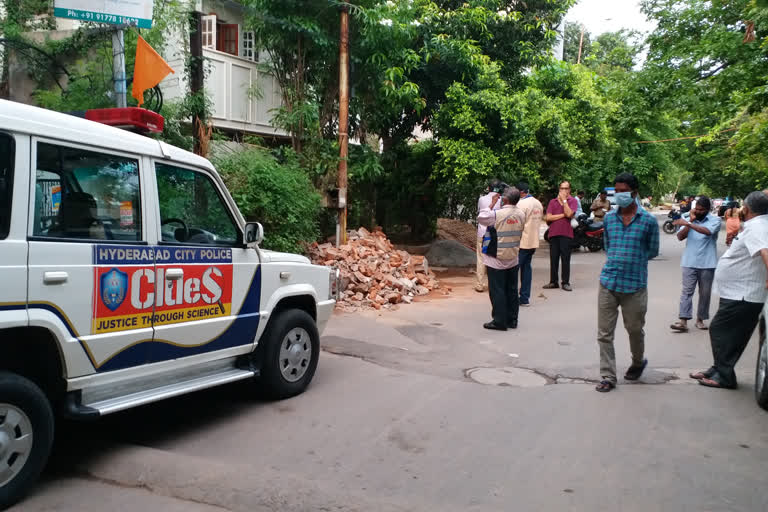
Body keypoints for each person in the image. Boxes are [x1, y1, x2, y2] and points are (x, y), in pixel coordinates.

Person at [692, 191, 768, 389]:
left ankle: (724, 376)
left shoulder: (758, 227)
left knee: (719, 329)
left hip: (744, 293)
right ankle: (719, 369)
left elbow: (765, 251)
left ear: (748, 208)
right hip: (737, 290)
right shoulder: (758, 224)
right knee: (731, 333)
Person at [595, 172, 660, 393]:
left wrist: (632, 259)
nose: (620, 196)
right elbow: (607, 245)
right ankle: (608, 376)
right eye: (617, 192)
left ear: (634, 192)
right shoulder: (609, 219)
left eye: (624, 192)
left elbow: (652, 251)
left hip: (635, 286)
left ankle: (638, 361)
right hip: (608, 283)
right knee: (604, 334)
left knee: (634, 329)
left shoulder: (649, 221)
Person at [477, 187, 526, 331]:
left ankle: (499, 321)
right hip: (513, 257)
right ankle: (513, 320)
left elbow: (481, 218)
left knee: (497, 290)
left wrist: (492, 203)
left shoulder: (497, 214)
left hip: (497, 259)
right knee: (511, 290)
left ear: (504, 199)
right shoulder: (521, 214)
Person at [669, 196, 721, 332]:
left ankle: (700, 319)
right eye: (696, 209)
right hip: (689, 262)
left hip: (707, 263)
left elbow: (707, 232)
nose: (698, 212)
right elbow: (680, 237)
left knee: (705, 293)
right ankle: (683, 321)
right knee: (686, 292)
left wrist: (689, 224)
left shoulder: (715, 220)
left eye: (701, 210)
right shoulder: (689, 219)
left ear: (708, 210)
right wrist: (690, 221)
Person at [543, 181, 578, 291]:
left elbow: (569, 214)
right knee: (553, 259)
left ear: (569, 190)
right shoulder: (552, 202)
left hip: (566, 234)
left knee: (565, 259)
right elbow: (548, 218)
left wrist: (564, 201)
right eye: (562, 188)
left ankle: (565, 282)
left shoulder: (573, 201)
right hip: (553, 233)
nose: (564, 190)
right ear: (559, 189)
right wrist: (563, 215)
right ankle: (553, 282)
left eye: (566, 188)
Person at [516, 182, 543, 307]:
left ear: (521, 192)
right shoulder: (538, 203)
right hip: (533, 242)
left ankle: (513, 297)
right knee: (527, 269)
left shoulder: (521, 204)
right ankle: (525, 298)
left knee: (514, 270)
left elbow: (517, 224)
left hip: (522, 242)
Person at [475, 179, 503, 292]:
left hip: (483, 232)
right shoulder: (501, 200)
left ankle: (480, 284)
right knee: (494, 257)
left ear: (488, 188)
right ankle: (494, 284)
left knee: (481, 258)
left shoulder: (482, 199)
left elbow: (480, 212)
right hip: (495, 234)